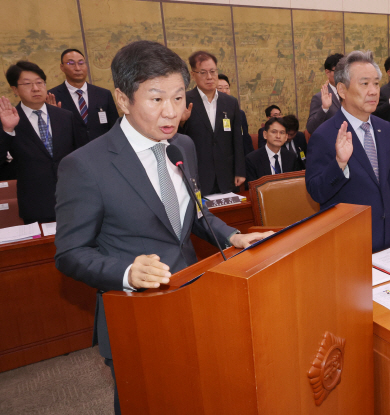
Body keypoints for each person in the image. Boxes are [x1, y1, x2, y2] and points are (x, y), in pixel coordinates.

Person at [53, 41, 271, 415]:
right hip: (136, 317)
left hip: (193, 299)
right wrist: (126, 271)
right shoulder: (86, 166)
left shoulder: (182, 146)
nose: (171, 112)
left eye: (177, 98)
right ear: (123, 100)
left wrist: (232, 236)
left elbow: (194, 212)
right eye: (156, 99)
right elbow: (70, 254)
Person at [305, 50, 390, 253]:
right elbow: (316, 192)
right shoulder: (325, 134)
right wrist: (339, 164)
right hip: (349, 241)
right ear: (341, 90)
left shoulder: (385, 128)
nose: (374, 91)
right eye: (365, 83)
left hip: (386, 236)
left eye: (376, 83)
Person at [0, 61, 88, 224]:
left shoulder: (64, 116)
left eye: (39, 82)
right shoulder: (9, 119)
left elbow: (82, 154)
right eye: (27, 84)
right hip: (36, 205)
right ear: (14, 90)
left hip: (74, 200)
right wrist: (7, 131)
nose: (35, 88)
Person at [178, 51, 245, 195]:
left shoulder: (230, 102)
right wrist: (181, 122)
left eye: (212, 71)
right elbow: (176, 141)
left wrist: (240, 171)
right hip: (198, 175)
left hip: (227, 176)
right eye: (203, 72)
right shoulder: (183, 100)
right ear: (193, 74)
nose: (209, 77)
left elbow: (237, 140)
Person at [48, 49, 119, 141]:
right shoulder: (52, 97)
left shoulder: (104, 94)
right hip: (72, 152)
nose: (77, 68)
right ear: (62, 67)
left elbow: (115, 126)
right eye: (71, 63)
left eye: (81, 63)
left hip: (102, 149)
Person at [245, 117, 300, 186]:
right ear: (265, 135)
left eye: (282, 133)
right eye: (274, 132)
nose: (278, 136)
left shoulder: (291, 157)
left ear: (286, 137)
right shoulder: (252, 159)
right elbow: (252, 188)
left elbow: (294, 184)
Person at [306, 53, 344, 135]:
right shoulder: (319, 97)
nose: (342, 75)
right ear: (327, 72)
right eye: (338, 71)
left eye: (344, 71)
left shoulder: (352, 94)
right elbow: (311, 128)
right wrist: (324, 108)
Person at [217, 73, 254, 156]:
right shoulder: (211, 115)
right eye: (220, 88)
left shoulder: (240, 113)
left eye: (227, 88)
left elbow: (245, 138)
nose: (224, 91)